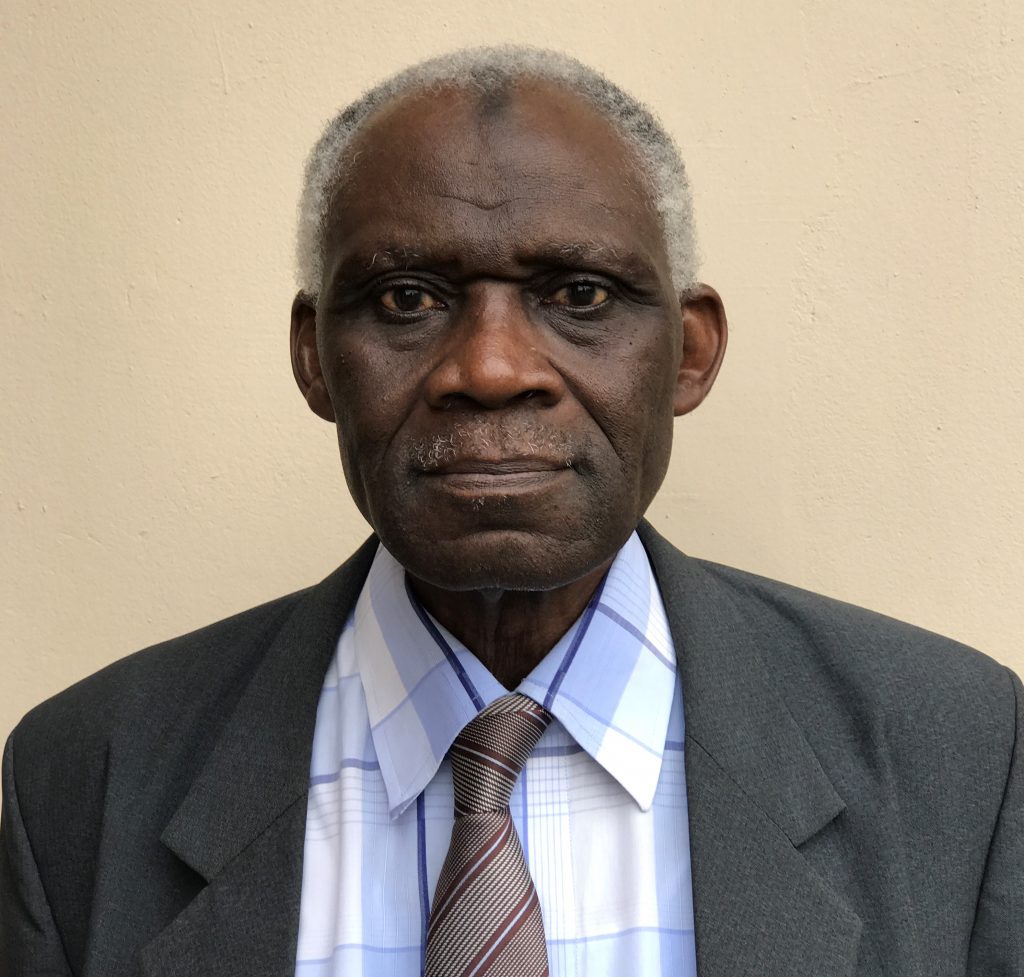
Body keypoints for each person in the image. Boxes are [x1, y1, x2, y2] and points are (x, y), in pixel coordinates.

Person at [1, 46, 1020, 977]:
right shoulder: (86, 779)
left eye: (579, 295)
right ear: (313, 357)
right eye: (407, 298)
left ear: (690, 351)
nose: (490, 368)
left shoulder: (959, 755)